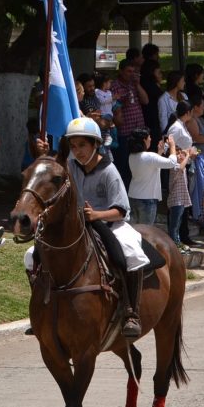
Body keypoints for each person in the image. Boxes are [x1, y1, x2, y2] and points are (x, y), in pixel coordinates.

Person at [64, 117, 149, 338]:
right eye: (73, 146)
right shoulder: (71, 166)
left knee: (132, 252)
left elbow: (121, 210)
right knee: (32, 255)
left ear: (95, 144)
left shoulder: (109, 170)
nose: (78, 151)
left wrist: (96, 215)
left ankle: (131, 312)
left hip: (111, 224)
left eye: (82, 145)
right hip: (80, 225)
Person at [127, 128, 180, 226]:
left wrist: (159, 152)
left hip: (133, 197)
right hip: (146, 200)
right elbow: (172, 163)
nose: (151, 139)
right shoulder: (149, 156)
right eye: (149, 137)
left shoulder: (132, 156)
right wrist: (172, 146)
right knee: (146, 233)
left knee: (135, 231)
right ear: (144, 140)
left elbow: (151, 167)